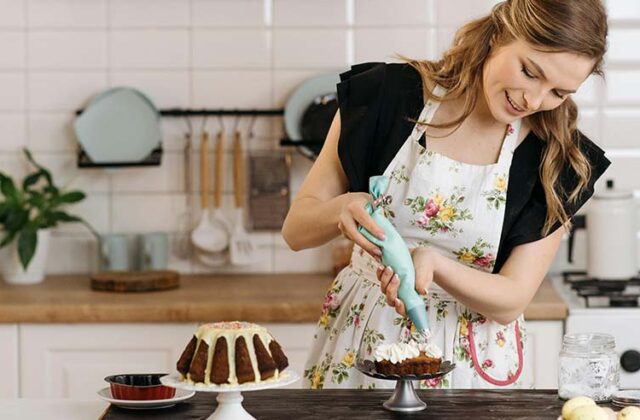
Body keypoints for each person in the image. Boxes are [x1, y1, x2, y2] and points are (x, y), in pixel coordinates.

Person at [282, 0, 611, 389]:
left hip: (472, 367)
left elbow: (512, 299)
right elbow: (296, 231)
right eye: (529, 72)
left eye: (559, 92)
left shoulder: (556, 157)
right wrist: (341, 208)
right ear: (499, 34)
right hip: (360, 346)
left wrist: (435, 264)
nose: (534, 101)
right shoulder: (385, 96)